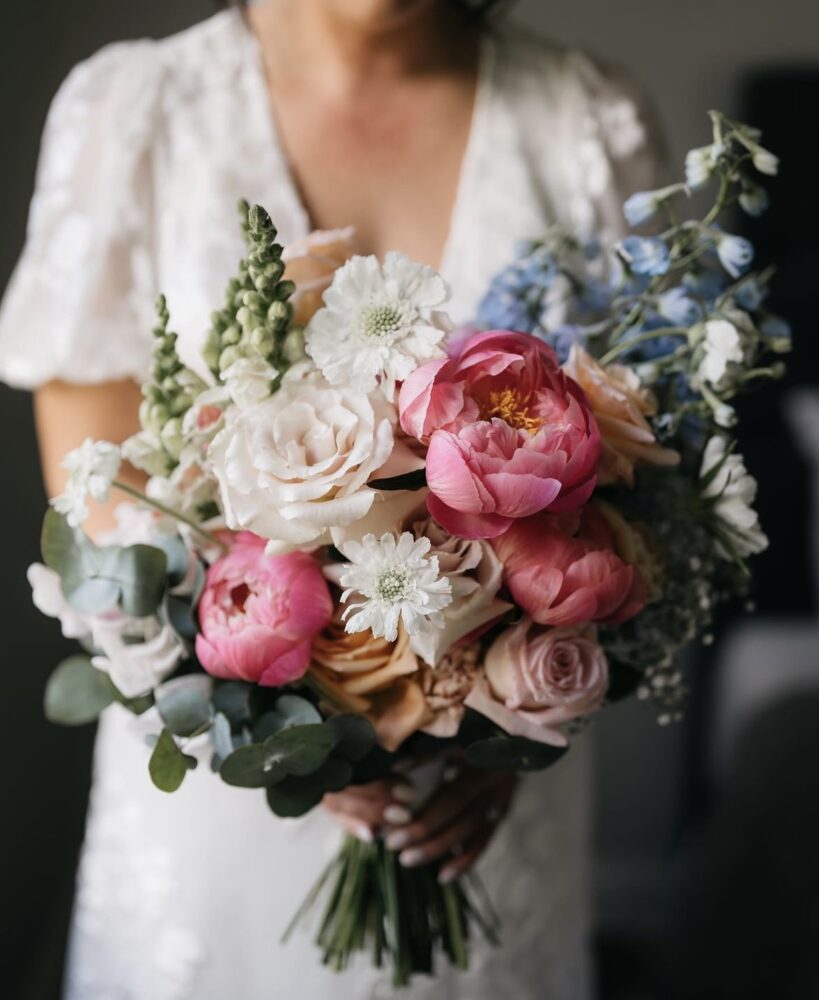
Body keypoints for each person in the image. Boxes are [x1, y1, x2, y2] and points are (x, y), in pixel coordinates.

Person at [0, 1, 664, 996]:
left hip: (480, 805)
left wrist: (514, 717)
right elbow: (98, 481)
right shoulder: (133, 109)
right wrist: (297, 722)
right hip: (225, 788)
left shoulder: (586, 122)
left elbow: (651, 465)